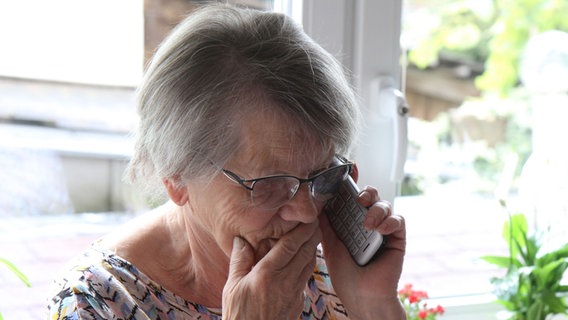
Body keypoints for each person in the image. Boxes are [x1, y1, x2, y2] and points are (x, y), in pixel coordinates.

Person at [47, 3, 407, 319]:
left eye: (322, 175)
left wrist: (372, 306)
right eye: (270, 186)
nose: (307, 213)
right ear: (177, 177)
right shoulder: (96, 304)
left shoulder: (334, 258)